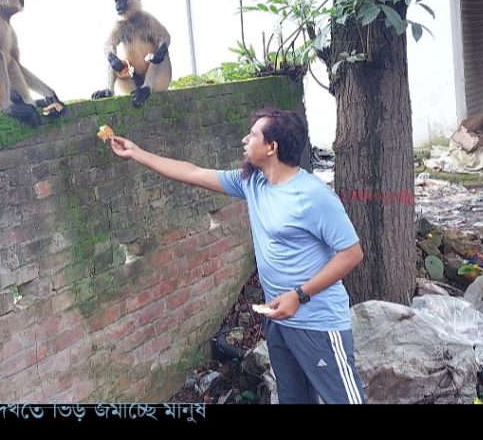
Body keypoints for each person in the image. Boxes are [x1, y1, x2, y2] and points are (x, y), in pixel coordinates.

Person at [109, 107, 366, 404]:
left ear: (272, 147)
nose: (245, 139)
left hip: (317, 323)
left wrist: (299, 294)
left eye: (253, 134)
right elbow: (192, 173)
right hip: (280, 322)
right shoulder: (253, 183)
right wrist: (137, 153)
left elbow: (351, 253)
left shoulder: (313, 195)